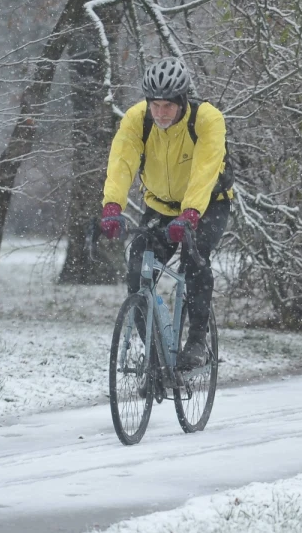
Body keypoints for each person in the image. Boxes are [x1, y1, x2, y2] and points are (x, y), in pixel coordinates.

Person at [99, 57, 233, 370]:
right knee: (137, 270)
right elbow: (122, 161)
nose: (160, 113)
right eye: (155, 105)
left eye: (167, 106)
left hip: (208, 204)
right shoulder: (138, 119)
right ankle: (156, 356)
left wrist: (189, 215)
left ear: (182, 101)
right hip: (160, 205)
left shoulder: (206, 120)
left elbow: (205, 170)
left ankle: (197, 340)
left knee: (193, 258)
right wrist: (112, 205)